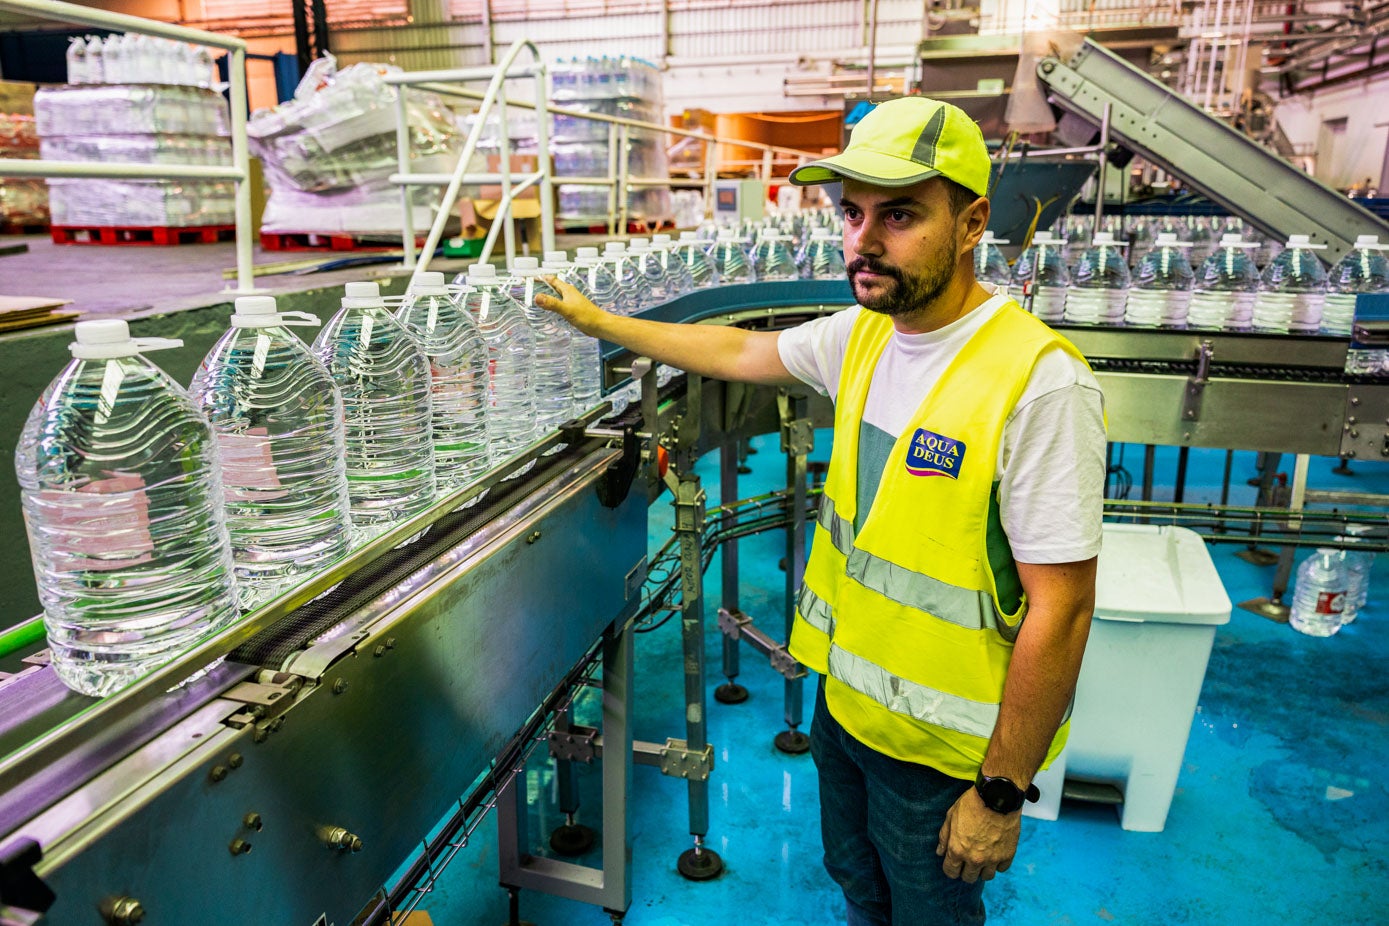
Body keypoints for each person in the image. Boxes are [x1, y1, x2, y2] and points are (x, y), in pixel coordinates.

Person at [535, 96, 1106, 926]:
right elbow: (742, 349)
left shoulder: (1038, 383)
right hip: (847, 712)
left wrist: (999, 793)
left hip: (945, 751)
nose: (863, 241)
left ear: (973, 221)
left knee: (927, 915)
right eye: (851, 213)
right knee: (859, 891)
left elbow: (1064, 607)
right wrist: (601, 323)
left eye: (900, 214)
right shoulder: (869, 333)